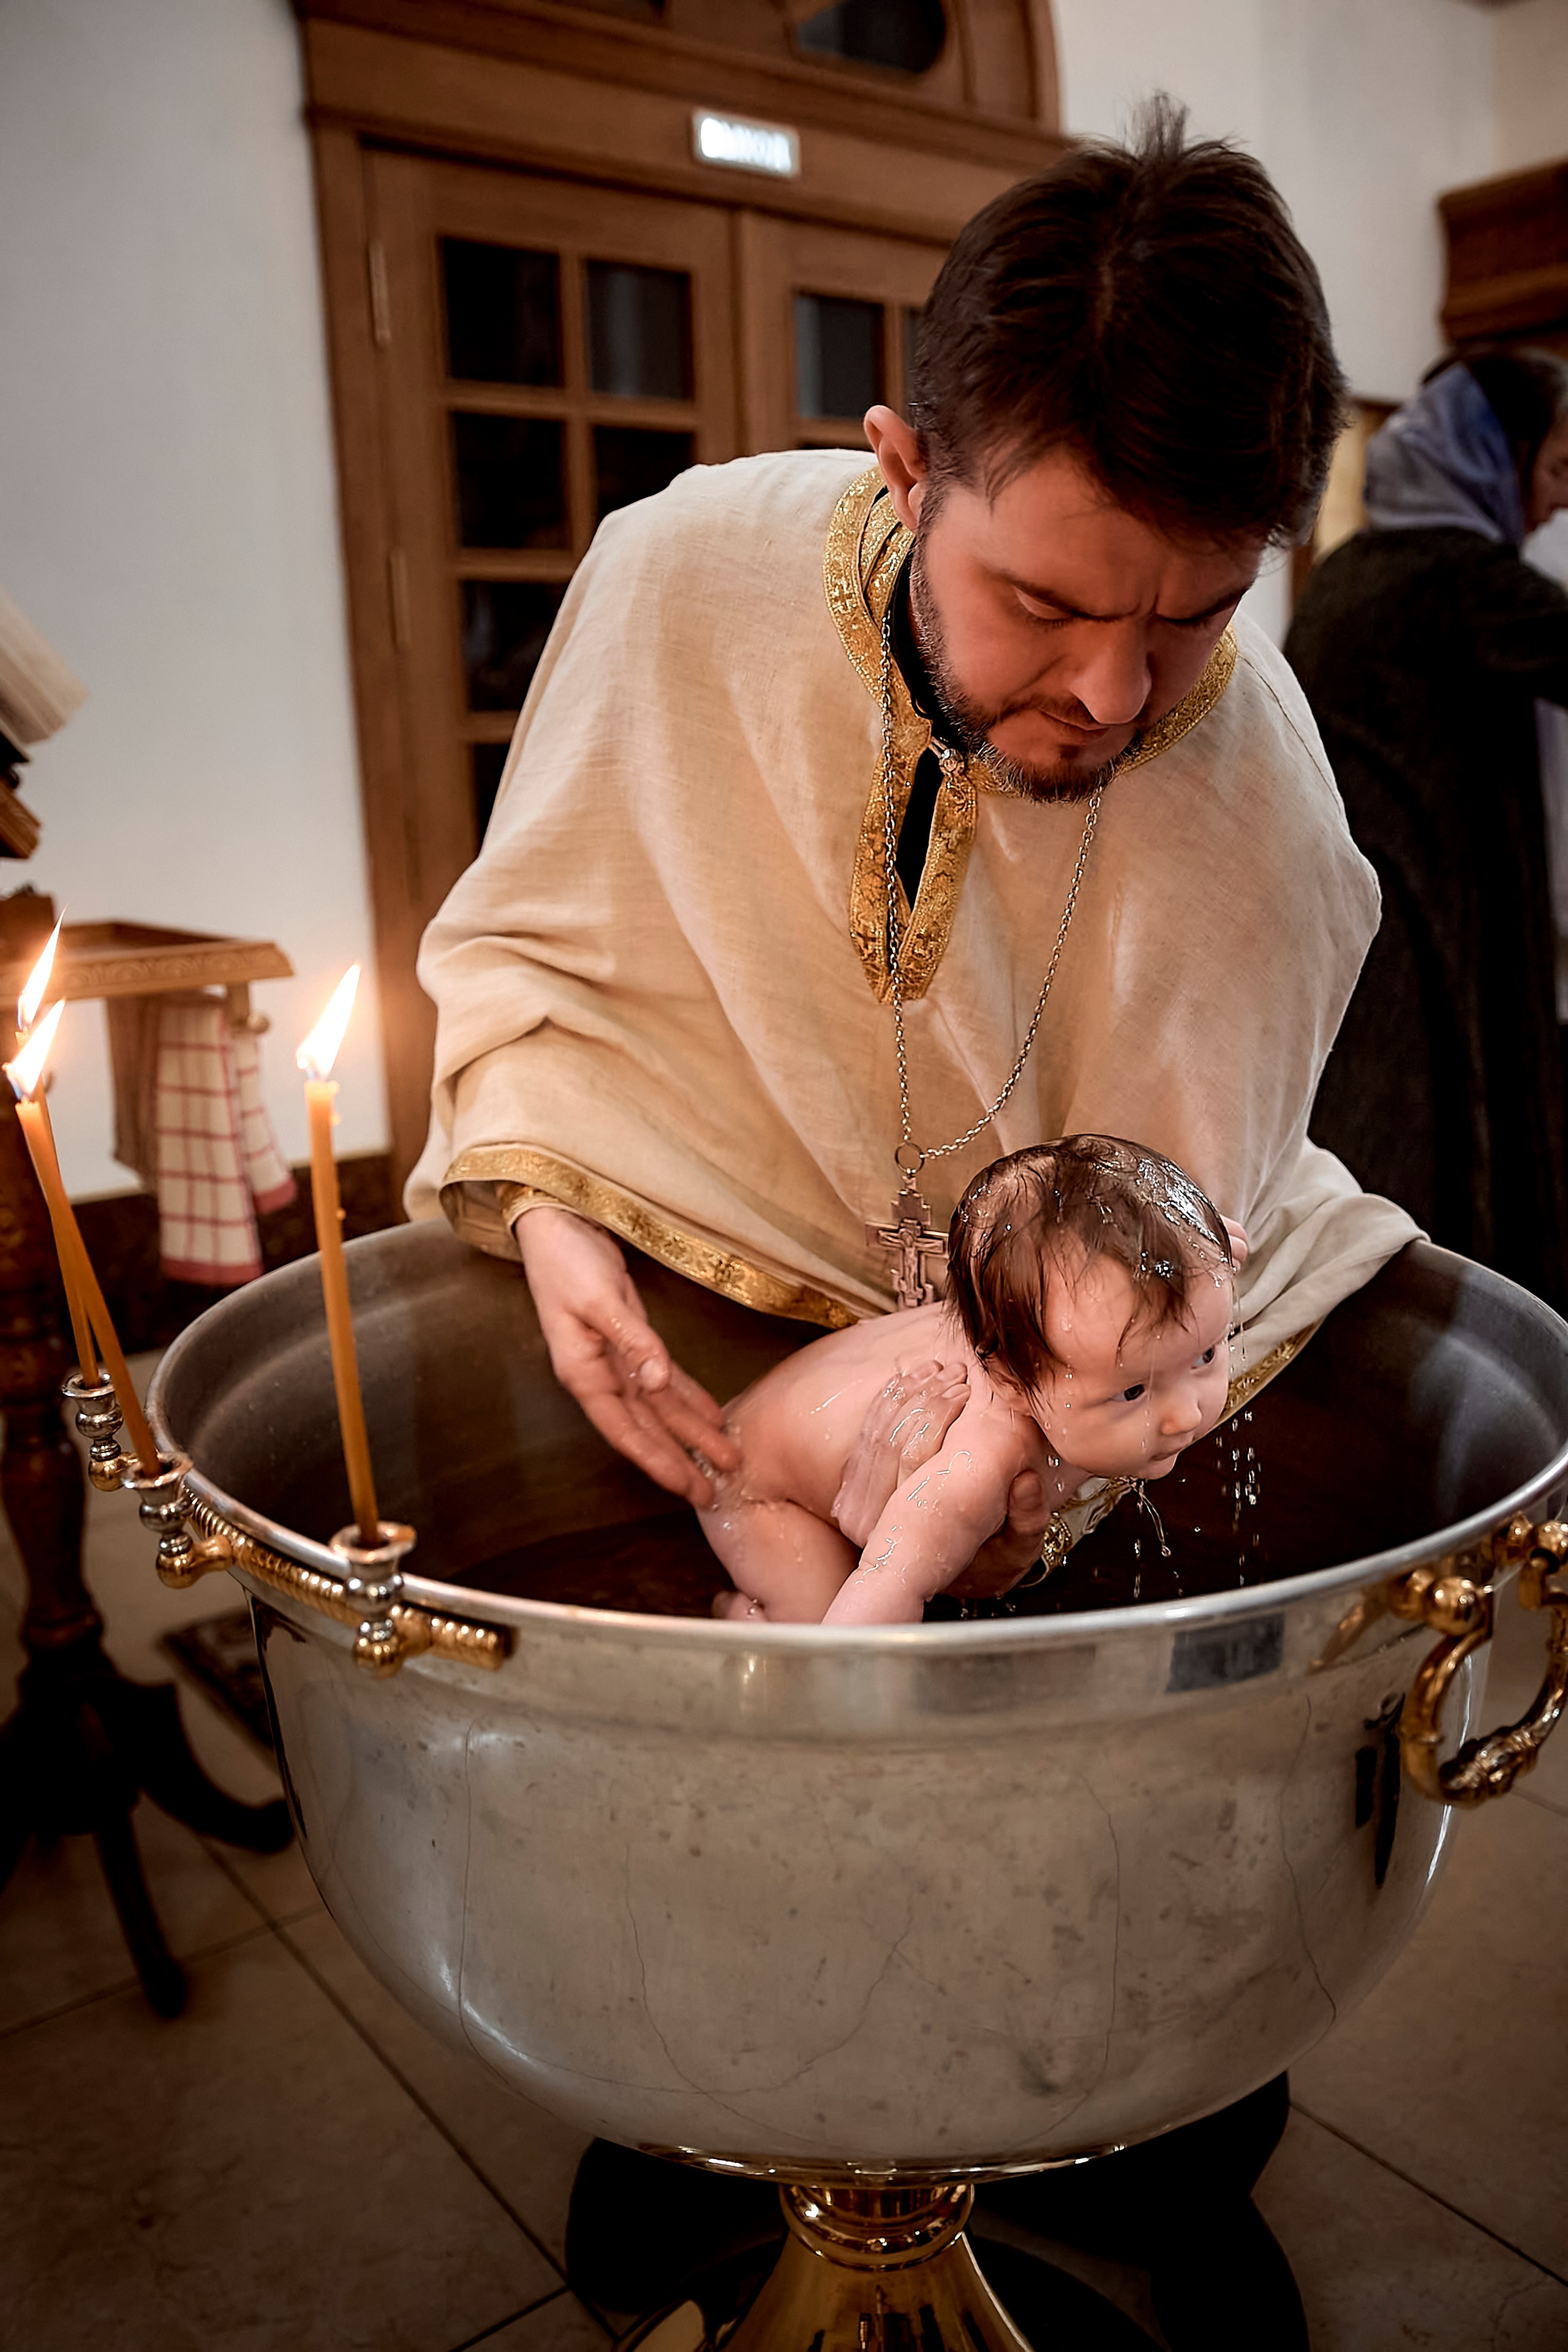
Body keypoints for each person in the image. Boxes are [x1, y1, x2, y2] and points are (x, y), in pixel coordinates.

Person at [413, 102, 1404, 2350]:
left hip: (1092, 1360)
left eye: (1189, 620)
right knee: (727, 1778)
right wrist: (563, 1220)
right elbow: (543, 975)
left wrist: (1019, 1436)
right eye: (1041, 602)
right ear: (899, 468)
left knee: (1095, 1793)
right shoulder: (682, 581)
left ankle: (1114, 2115)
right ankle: (723, 2102)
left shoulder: (1248, 805)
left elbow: (1180, 1226)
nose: (1107, 696)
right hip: (729, 1284)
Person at [1287, 349, 1568, 1308]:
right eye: (1558, 471)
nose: (1558, 504)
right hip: (1426, 956)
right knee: (1436, 1209)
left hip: (1348, 948)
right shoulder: (1460, 579)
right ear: (1497, 456)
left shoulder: (1351, 568)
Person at [703, 1137, 1242, 1624]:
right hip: (750, 1478)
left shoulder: (1060, 1333)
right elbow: (887, 1582)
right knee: (814, 1628)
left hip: (804, 1395)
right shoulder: (978, 1465)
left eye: (1205, 1356)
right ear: (1010, 1383)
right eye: (1133, 1392)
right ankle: (748, 1622)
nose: (1187, 1415)